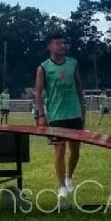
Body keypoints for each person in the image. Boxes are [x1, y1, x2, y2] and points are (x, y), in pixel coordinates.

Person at [34, 33, 86, 199]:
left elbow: (79, 86)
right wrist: (41, 115)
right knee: (59, 150)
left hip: (74, 113)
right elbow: (38, 93)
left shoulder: (73, 63)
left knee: (75, 149)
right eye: (58, 43)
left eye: (64, 43)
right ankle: (62, 186)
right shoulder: (43, 68)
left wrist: (83, 108)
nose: (62, 46)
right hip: (56, 115)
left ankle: (69, 177)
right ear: (49, 46)